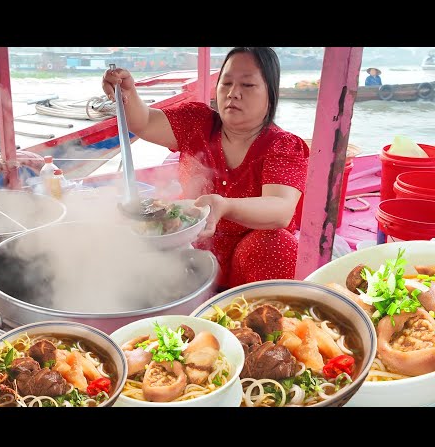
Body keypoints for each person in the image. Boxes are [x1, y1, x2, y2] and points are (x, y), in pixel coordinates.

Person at [102, 47, 309, 289]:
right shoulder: (196, 122)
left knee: (277, 244)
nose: (233, 93)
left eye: (248, 85)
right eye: (226, 83)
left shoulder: (283, 146)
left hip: (249, 260)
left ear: (271, 94)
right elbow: (145, 122)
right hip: (191, 249)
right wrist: (128, 94)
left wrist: (226, 205)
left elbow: (281, 209)